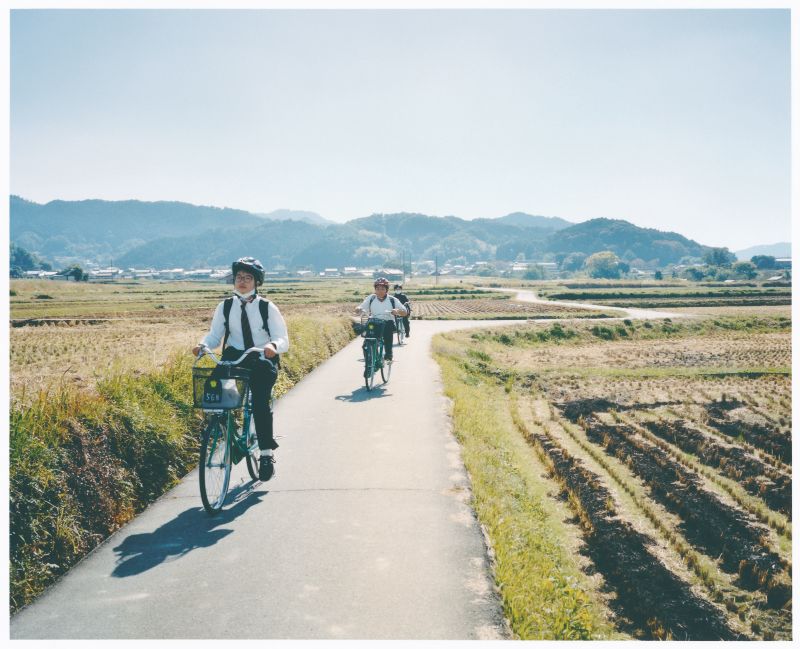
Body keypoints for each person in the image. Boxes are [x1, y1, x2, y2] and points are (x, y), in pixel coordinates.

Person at [193, 257, 289, 481]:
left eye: (248, 278)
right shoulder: (225, 306)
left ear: (257, 282)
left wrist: (273, 347)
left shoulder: (267, 307)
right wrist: (203, 345)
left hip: (261, 358)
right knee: (213, 392)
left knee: (259, 404)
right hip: (235, 357)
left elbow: (282, 338)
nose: (242, 281)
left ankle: (266, 453)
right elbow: (215, 335)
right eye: (238, 277)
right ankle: (221, 426)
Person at [355, 277, 407, 364]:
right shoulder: (371, 298)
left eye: (382, 289)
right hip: (374, 322)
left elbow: (405, 312)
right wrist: (358, 309)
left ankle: (388, 356)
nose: (380, 291)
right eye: (378, 289)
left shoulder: (392, 300)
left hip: (387, 322)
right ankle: (372, 359)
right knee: (368, 341)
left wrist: (397, 311)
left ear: (386, 290)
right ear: (375, 289)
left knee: (388, 339)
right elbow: (361, 306)